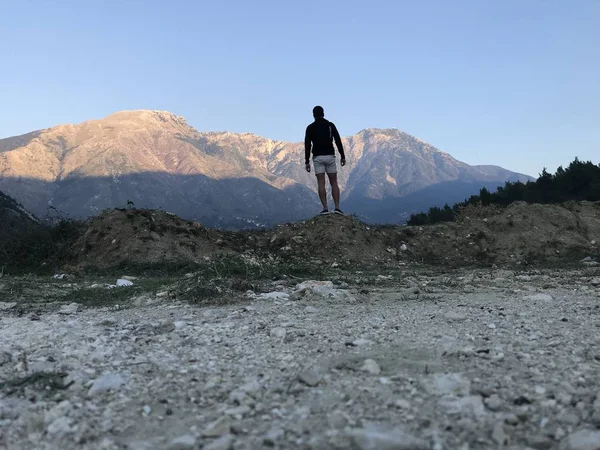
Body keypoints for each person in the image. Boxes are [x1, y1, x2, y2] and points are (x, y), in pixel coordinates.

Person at [304, 105, 347, 215]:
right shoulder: (330, 125)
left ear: (313, 115)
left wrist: (307, 161)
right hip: (329, 156)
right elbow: (338, 141)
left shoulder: (310, 127)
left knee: (321, 183)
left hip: (318, 157)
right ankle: (337, 207)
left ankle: (325, 208)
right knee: (334, 182)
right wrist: (342, 155)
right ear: (323, 113)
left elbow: (307, 145)